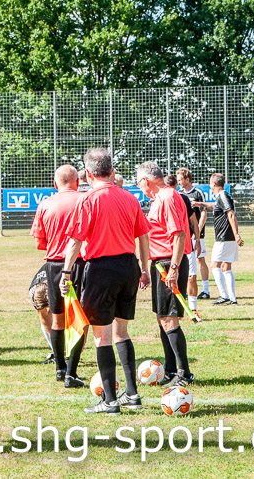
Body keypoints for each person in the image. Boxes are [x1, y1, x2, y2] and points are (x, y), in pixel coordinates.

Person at [60, 148, 150, 415]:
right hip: (129, 267)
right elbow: (143, 236)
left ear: (88, 175)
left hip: (101, 270)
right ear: (111, 171)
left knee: (102, 337)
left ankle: (110, 401)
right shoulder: (130, 198)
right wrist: (144, 268)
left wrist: (66, 273)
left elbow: (75, 241)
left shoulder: (88, 200)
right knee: (122, 332)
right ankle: (132, 394)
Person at [139, 163, 195, 387]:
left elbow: (179, 234)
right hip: (160, 263)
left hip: (168, 263)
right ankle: (171, 370)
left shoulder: (168, 197)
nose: (140, 188)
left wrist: (173, 268)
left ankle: (184, 372)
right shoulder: (161, 198)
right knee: (163, 317)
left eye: (139, 183)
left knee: (169, 318)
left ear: (146, 181)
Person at [30, 165, 87, 388]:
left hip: (53, 265)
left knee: (57, 318)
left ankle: (60, 369)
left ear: (55, 184)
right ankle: (72, 371)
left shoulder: (45, 204)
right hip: (81, 263)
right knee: (79, 318)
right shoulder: (85, 200)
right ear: (77, 181)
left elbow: (39, 242)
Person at [195, 173, 244, 305]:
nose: (209, 186)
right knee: (226, 266)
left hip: (224, 237)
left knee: (214, 265)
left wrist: (236, 234)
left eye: (210, 183)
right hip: (227, 237)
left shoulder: (223, 196)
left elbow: (231, 214)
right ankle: (232, 298)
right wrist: (200, 204)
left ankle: (224, 295)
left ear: (214, 184)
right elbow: (215, 207)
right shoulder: (221, 197)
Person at [164, 173, 202, 321]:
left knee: (191, 276)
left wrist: (197, 239)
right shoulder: (163, 199)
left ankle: (193, 309)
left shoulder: (183, 198)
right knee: (174, 278)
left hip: (186, 245)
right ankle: (175, 310)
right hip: (170, 247)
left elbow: (193, 220)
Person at [176, 168, 210, 300]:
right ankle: (185, 289)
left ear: (187, 179)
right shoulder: (179, 193)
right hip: (185, 235)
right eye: (177, 180)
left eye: (180, 180)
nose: (179, 182)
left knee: (200, 259)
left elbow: (203, 214)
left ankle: (205, 290)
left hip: (196, 234)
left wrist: (198, 232)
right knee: (184, 260)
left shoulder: (197, 193)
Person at [29, 263, 57, 364]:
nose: (49, 311)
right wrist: (57, 346)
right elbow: (44, 318)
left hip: (58, 283)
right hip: (45, 286)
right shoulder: (33, 293)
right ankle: (57, 353)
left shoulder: (58, 288)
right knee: (45, 325)